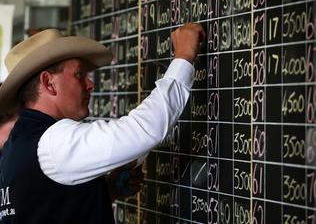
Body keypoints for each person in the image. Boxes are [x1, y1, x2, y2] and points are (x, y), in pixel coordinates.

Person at [0, 23, 205, 223]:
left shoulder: (15, 147)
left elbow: (45, 208)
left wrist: (106, 191)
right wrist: (183, 58)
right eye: (79, 74)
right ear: (48, 83)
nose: (90, 84)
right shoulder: (53, 143)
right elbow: (144, 130)